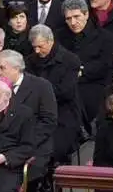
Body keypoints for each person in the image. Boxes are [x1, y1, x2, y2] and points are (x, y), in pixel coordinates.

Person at [0, 49, 57, 192]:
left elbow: (49, 120)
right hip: (6, 140)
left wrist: (27, 141)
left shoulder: (41, 86)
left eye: (1, 68)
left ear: (16, 69)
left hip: (35, 141)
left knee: (31, 164)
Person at [57, 0, 113, 131]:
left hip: (94, 85)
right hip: (66, 86)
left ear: (86, 14)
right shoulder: (59, 36)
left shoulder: (105, 37)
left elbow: (105, 65)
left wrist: (81, 71)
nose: (73, 22)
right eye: (68, 18)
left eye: (77, 17)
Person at [25, 24, 81, 163]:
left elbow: (66, 92)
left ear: (51, 41)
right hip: (36, 114)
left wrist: (41, 95)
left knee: (54, 149)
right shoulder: (29, 61)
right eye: (34, 47)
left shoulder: (70, 60)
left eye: (40, 46)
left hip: (63, 114)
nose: (37, 51)